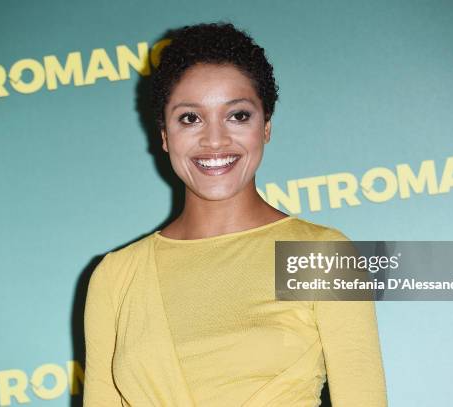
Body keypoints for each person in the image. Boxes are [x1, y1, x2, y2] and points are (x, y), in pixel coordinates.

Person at [83, 22, 387, 406]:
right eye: (190, 118)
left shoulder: (323, 255)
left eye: (237, 115)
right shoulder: (116, 276)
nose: (214, 140)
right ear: (164, 135)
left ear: (266, 127)